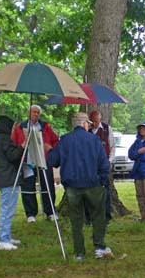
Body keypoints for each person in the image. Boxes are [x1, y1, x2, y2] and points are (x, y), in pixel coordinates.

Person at [47, 112, 112, 261]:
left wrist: (50, 149)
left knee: (76, 220)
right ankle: (99, 247)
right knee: (98, 217)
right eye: (88, 123)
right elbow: (104, 163)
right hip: (93, 184)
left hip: (73, 186)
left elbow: (52, 161)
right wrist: (101, 180)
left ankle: (79, 253)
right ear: (84, 124)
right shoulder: (94, 140)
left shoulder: (65, 140)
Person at [12, 105, 59, 223]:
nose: (36, 114)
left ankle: (50, 212)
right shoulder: (20, 127)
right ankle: (30, 213)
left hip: (43, 160)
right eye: (34, 112)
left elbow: (55, 140)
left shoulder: (46, 127)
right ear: (29, 113)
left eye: (38, 112)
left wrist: (51, 148)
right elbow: (13, 143)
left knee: (47, 185)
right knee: (28, 186)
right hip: (27, 161)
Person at [0, 116, 25, 251]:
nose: (13, 131)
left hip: (3, 177)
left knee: (7, 208)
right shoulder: (5, 141)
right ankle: (3, 239)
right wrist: (22, 146)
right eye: (12, 128)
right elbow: (13, 156)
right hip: (9, 178)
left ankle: (6, 235)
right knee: (7, 209)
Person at [89, 110, 115, 223]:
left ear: (100, 119)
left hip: (103, 166)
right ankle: (91, 216)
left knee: (105, 191)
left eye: (96, 120)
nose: (94, 123)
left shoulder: (106, 129)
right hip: (90, 166)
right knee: (90, 192)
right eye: (92, 121)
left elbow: (112, 146)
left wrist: (109, 161)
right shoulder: (88, 130)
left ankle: (106, 217)